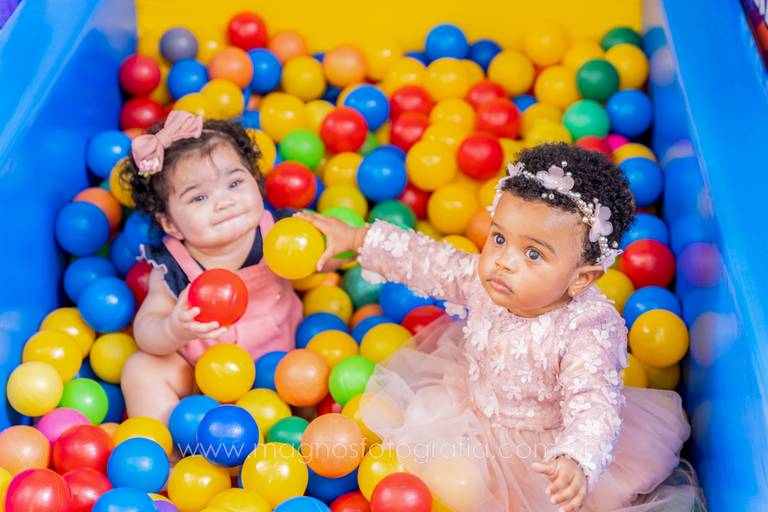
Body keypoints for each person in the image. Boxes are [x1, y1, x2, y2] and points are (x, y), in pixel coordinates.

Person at [298, 143, 704, 512]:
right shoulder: (489, 283)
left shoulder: (586, 330)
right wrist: (358, 237)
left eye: (533, 254)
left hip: (535, 450)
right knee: (426, 459)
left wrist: (576, 459)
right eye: (498, 238)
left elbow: (593, 403)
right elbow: (429, 262)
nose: (504, 262)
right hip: (468, 411)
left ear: (580, 279)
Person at [119, 110, 301, 423]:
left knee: (318, 361)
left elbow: (330, 252)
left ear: (256, 182)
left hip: (284, 367)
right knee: (140, 368)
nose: (223, 201)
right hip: (202, 378)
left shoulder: (283, 233)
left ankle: (302, 432)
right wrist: (173, 329)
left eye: (235, 183)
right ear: (170, 224)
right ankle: (165, 448)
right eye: (199, 198)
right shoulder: (173, 267)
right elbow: (146, 329)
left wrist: (335, 248)